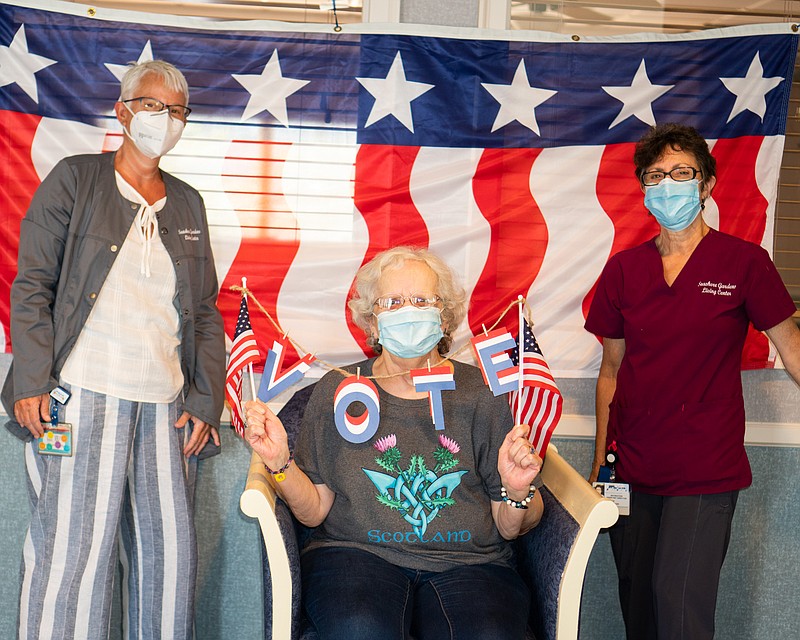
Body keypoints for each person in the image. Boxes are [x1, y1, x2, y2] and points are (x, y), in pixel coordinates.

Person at [1, 60, 226, 639]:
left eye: (177, 111)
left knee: (168, 562)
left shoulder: (189, 204)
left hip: (165, 406)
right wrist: (29, 379)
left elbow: (204, 312)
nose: (165, 119)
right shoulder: (75, 179)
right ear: (123, 111)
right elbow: (31, 287)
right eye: (153, 105)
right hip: (75, 397)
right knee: (71, 557)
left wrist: (205, 401)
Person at [244, 246, 543, 640]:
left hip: (470, 563)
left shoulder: (482, 392)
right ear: (372, 320)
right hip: (354, 555)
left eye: (422, 300)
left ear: (445, 314)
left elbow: (511, 526)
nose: (408, 311)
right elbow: (314, 512)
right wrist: (281, 463)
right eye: (393, 302)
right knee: (361, 629)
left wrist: (517, 491)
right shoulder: (339, 390)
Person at [585, 123, 800, 640]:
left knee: (679, 608)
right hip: (630, 467)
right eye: (655, 175)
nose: (668, 185)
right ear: (643, 188)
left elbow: (791, 347)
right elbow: (611, 371)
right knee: (637, 607)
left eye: (682, 173)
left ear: (706, 185)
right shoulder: (623, 271)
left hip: (705, 470)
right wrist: (600, 466)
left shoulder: (745, 263)